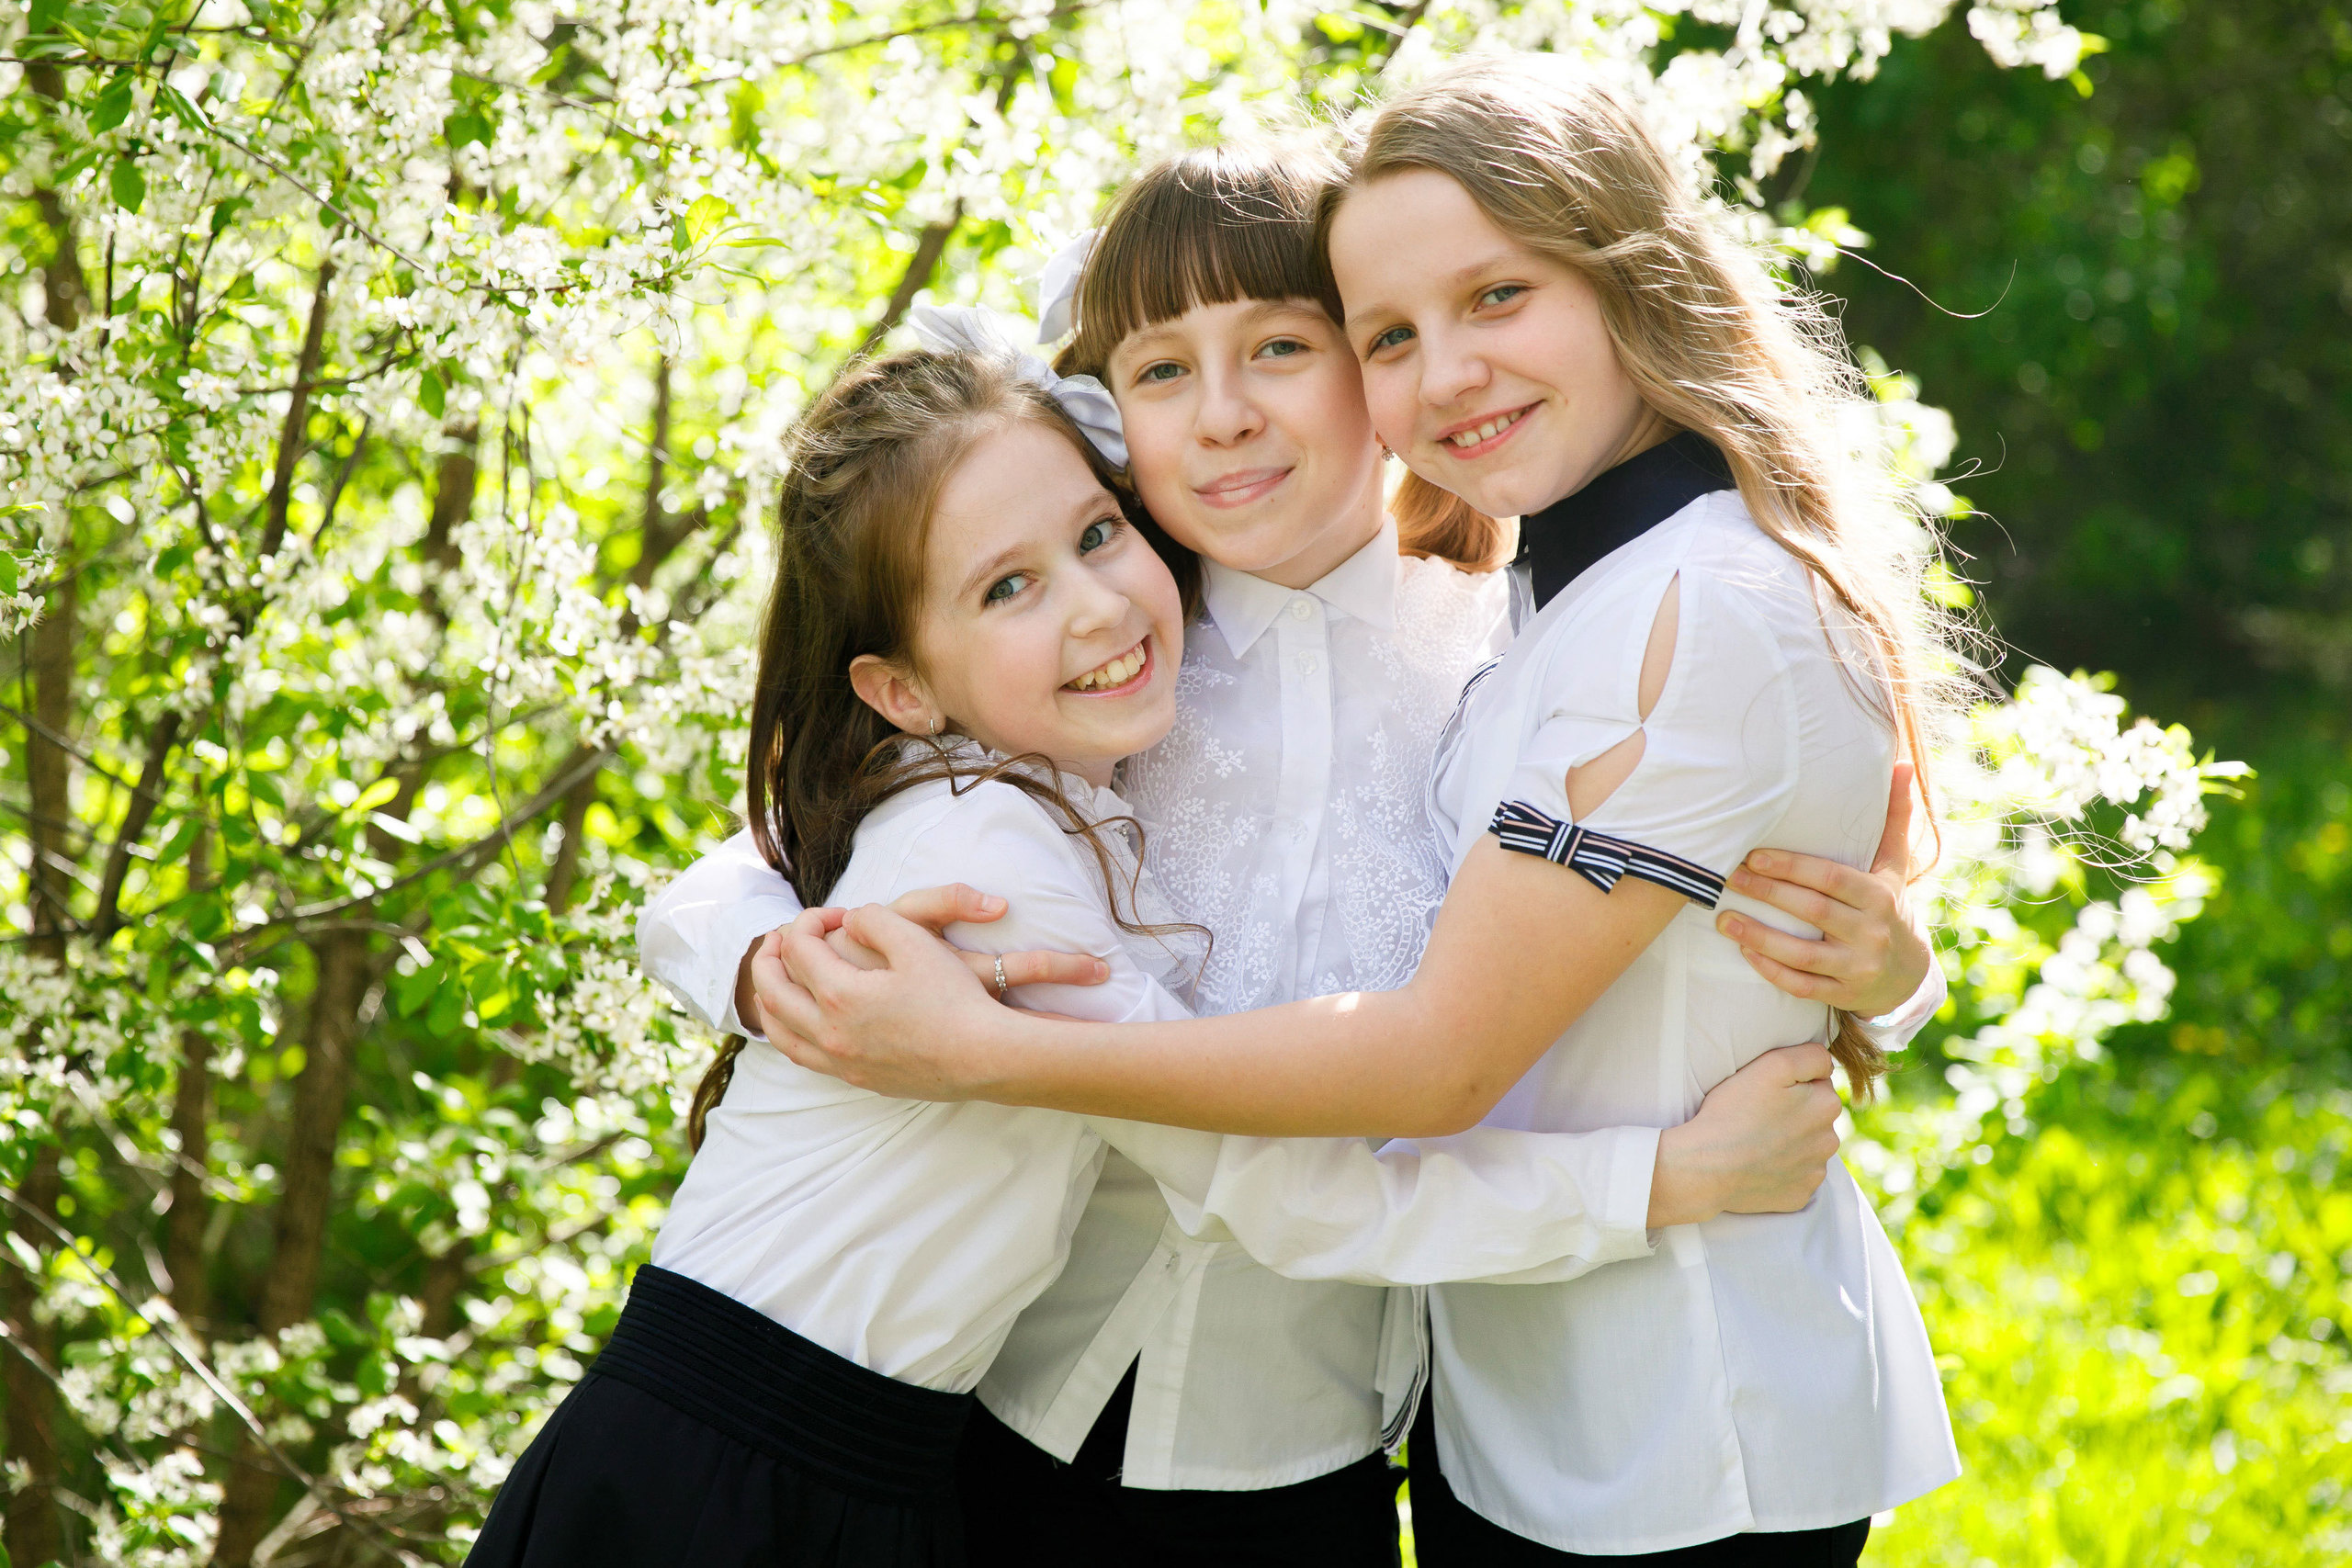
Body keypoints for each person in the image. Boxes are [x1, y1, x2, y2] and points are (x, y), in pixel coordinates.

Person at [645, 140, 1944, 1564]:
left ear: (1372, 378)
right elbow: (789, 841)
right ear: (1107, 414)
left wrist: (1890, 975)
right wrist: (770, 968)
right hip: (1015, 1415)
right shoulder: (1104, 655)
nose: (1223, 417)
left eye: (1280, 347)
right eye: (1159, 373)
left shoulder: (1508, 656)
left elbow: (1680, 919)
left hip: (1315, 1445)